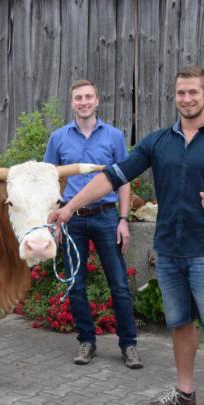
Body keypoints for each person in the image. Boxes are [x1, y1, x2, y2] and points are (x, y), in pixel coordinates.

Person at [48, 66, 204, 405]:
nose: (186, 99)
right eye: (180, 93)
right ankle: (185, 391)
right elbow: (112, 176)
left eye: (193, 92)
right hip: (168, 251)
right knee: (180, 324)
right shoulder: (157, 142)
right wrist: (69, 207)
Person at [43, 79, 143, 369]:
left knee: (120, 286)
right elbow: (51, 182)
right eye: (78, 98)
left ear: (97, 100)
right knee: (75, 285)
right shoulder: (58, 138)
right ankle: (86, 341)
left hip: (106, 216)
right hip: (71, 220)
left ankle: (129, 345)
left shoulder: (113, 137)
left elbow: (123, 180)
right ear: (72, 102)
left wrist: (123, 220)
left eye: (88, 97)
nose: (83, 102)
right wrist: (55, 222)